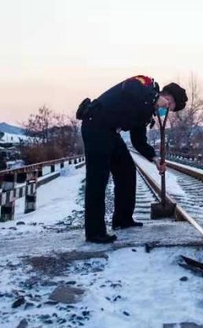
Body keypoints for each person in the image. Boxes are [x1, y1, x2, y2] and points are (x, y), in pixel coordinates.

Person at [77, 75, 187, 243]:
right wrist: (155, 97)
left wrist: (154, 158)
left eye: (170, 109)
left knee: (127, 170)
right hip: (95, 124)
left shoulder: (146, 112)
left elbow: (138, 141)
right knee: (98, 179)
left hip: (110, 132)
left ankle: (122, 220)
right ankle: (94, 232)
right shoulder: (145, 85)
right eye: (170, 104)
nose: (167, 109)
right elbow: (130, 87)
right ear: (166, 94)